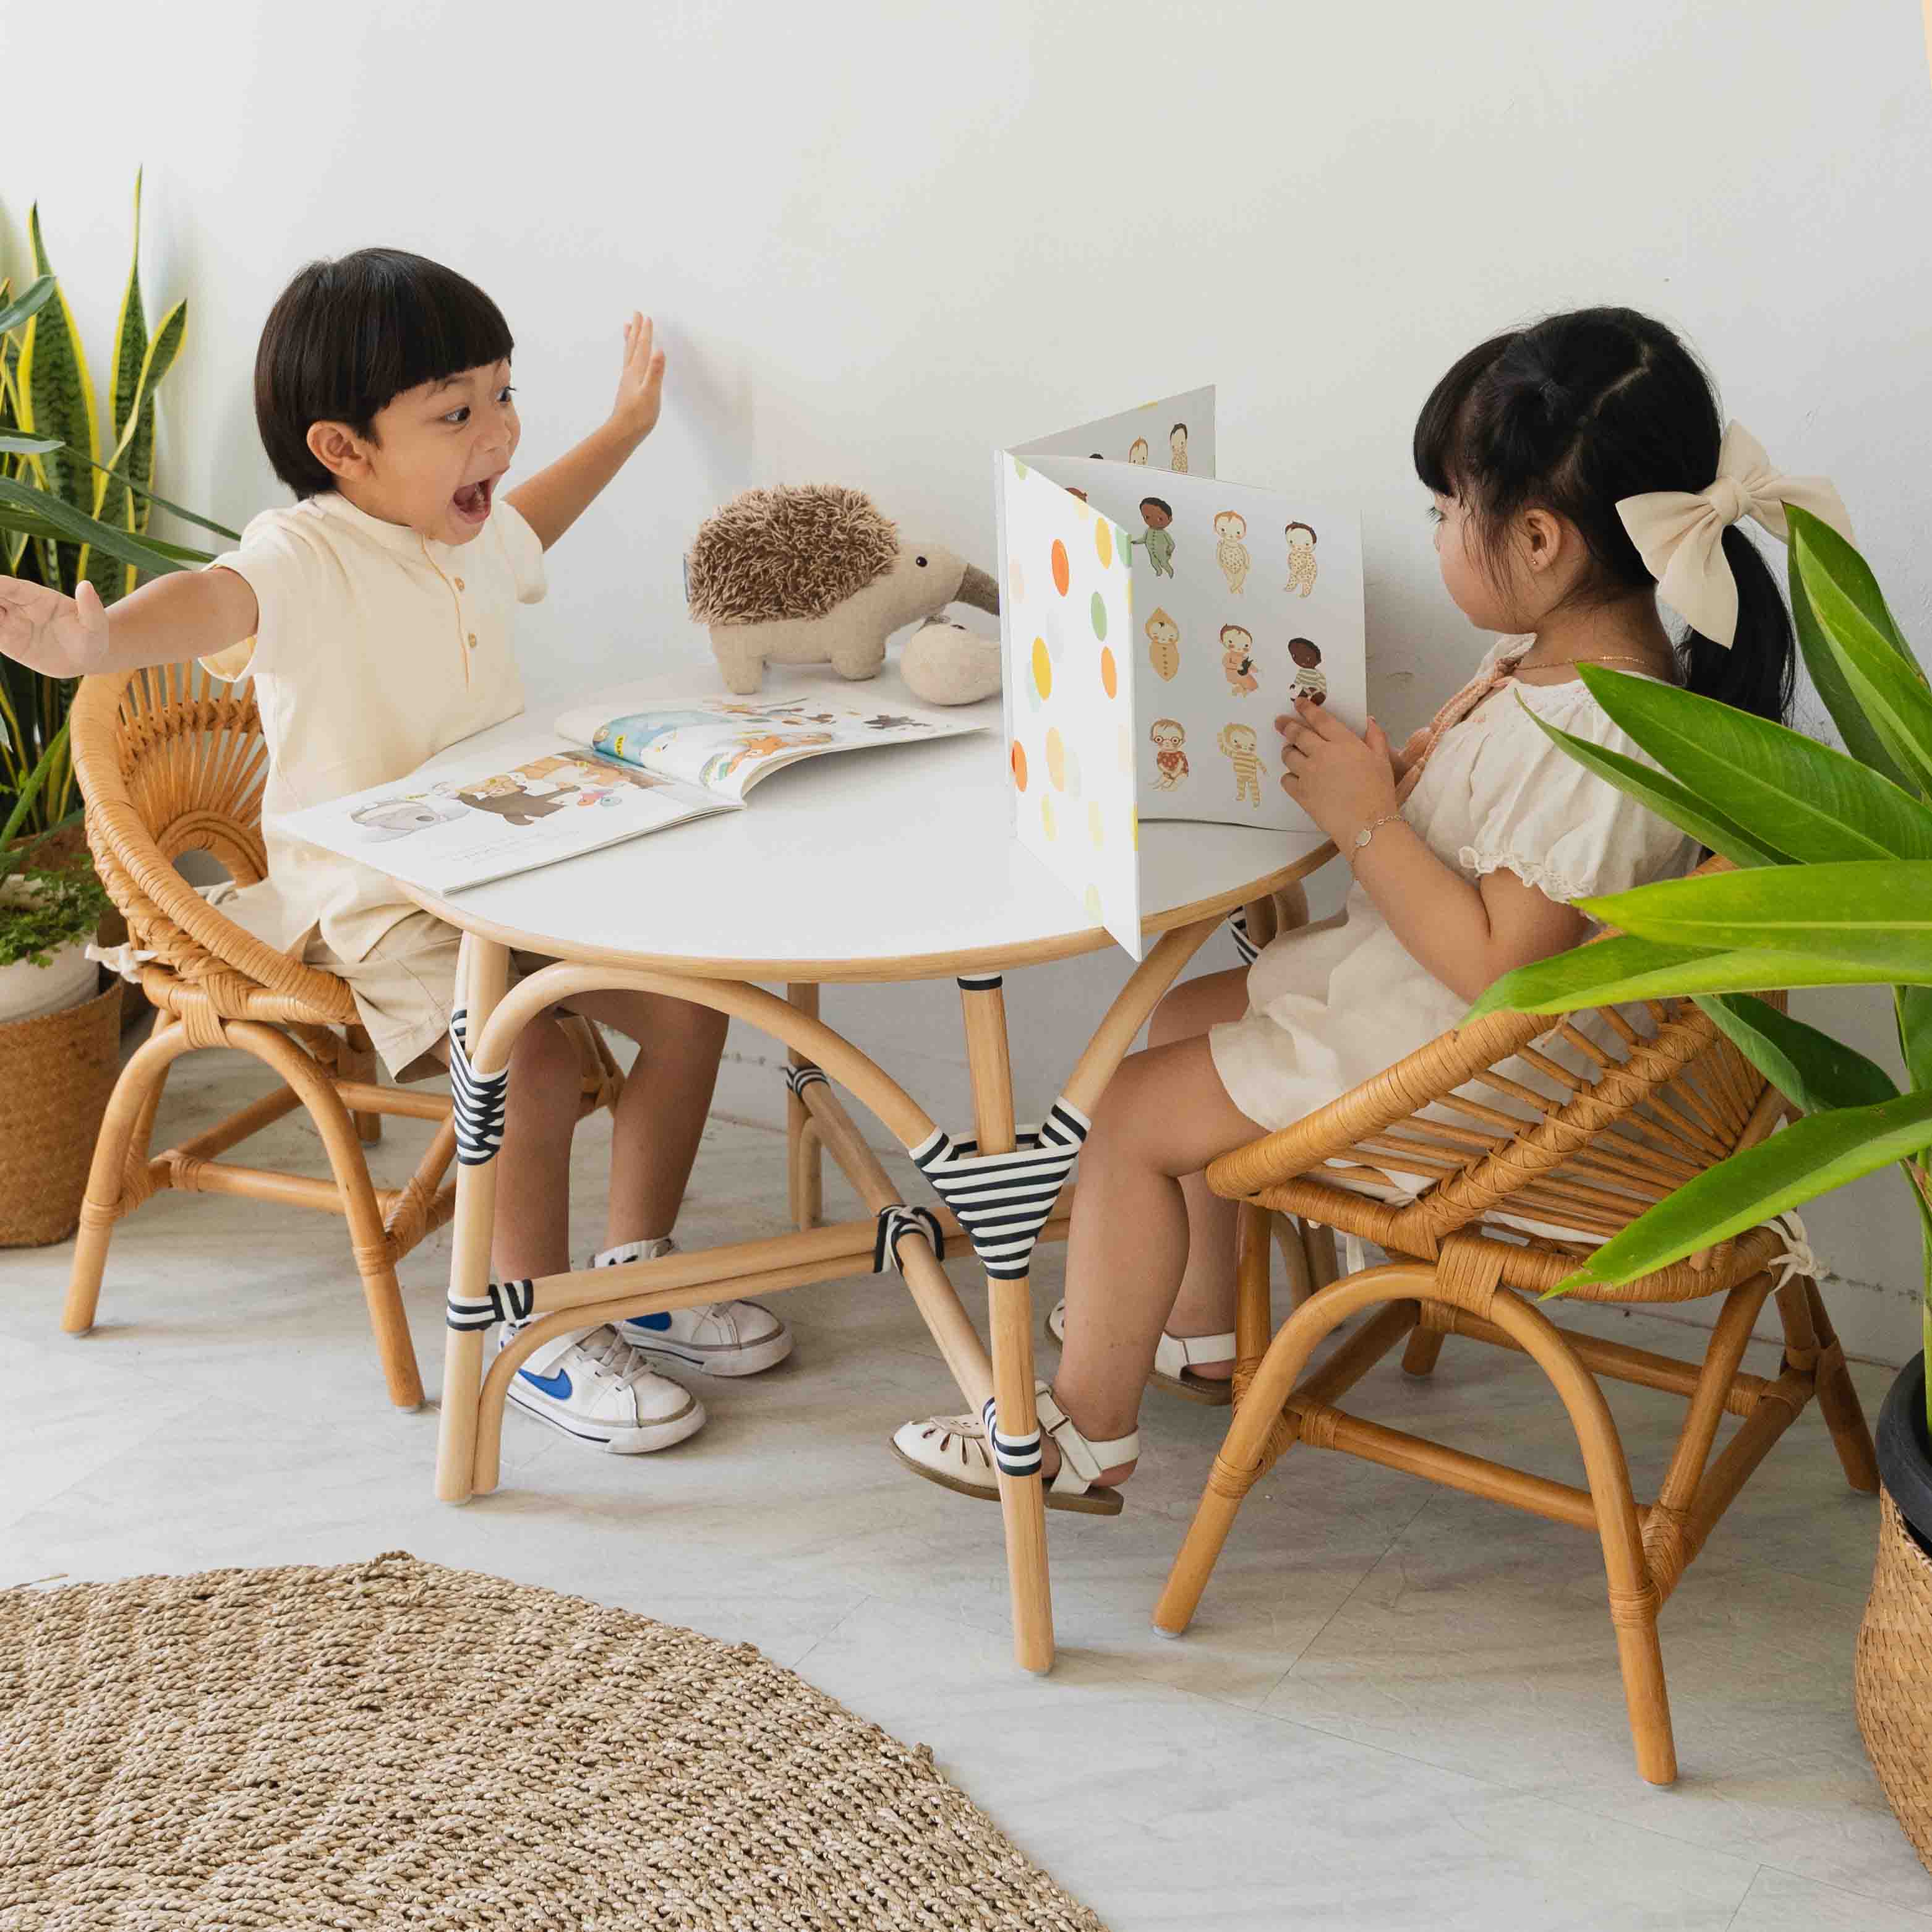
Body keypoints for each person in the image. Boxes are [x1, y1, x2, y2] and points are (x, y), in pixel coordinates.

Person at [891, 305, 1851, 1511]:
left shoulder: (1598, 732)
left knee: (1130, 1113)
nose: (1437, 531)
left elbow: (1500, 965)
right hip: (1429, 1009)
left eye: (1448, 509)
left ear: (1540, 539)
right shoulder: (1568, 668)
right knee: (1176, 1016)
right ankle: (1194, 1327)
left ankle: (1082, 1433)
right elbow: (1502, 859)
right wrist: (1400, 793)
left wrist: (1367, 824)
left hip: (1480, 1079)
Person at [0, 249, 791, 1455]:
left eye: (503, 394)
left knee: (694, 1005)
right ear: (343, 450)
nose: (499, 432)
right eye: (456, 413)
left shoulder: (461, 528)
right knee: (529, 1061)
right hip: (378, 902)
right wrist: (91, 645)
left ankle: (637, 1274)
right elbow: (215, 599)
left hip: (512, 862)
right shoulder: (302, 554)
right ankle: (531, 1328)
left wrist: (627, 428)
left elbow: (531, 521)